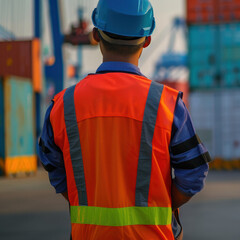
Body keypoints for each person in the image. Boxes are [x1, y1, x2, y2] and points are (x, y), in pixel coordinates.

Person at [37, 0, 211, 239]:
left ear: (96, 34)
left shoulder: (63, 105)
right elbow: (194, 172)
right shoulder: (167, 104)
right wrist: (161, 204)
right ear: (147, 40)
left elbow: (52, 164)